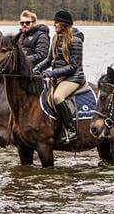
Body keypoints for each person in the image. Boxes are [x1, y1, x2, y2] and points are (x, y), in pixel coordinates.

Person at [33, 9, 84, 143]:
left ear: (64, 25)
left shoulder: (76, 41)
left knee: (57, 97)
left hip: (73, 78)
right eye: (54, 22)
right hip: (59, 78)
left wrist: (52, 73)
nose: (54, 24)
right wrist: (37, 67)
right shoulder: (55, 38)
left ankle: (71, 129)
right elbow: (49, 60)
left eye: (57, 22)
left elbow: (73, 66)